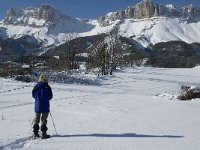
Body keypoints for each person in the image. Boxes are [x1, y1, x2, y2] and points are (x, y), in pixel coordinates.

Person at [32, 74, 53, 139]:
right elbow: (50, 96)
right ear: (46, 79)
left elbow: (33, 95)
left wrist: (38, 99)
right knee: (44, 120)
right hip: (45, 106)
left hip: (38, 105)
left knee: (36, 120)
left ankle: (35, 133)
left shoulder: (36, 86)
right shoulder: (48, 87)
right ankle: (44, 134)